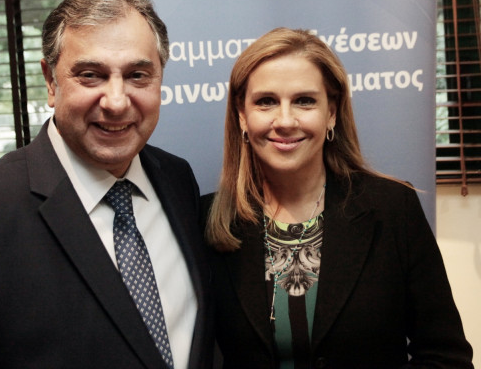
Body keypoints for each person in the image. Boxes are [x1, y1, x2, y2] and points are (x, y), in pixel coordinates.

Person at [0, 0, 213, 369]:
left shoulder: (176, 180)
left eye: (138, 75)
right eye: (90, 75)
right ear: (51, 82)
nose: (116, 102)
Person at [202, 27, 473, 369]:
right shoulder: (208, 220)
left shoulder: (393, 209)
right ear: (242, 115)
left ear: (331, 112)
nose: (285, 120)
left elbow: (446, 357)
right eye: (266, 101)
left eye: (304, 100)